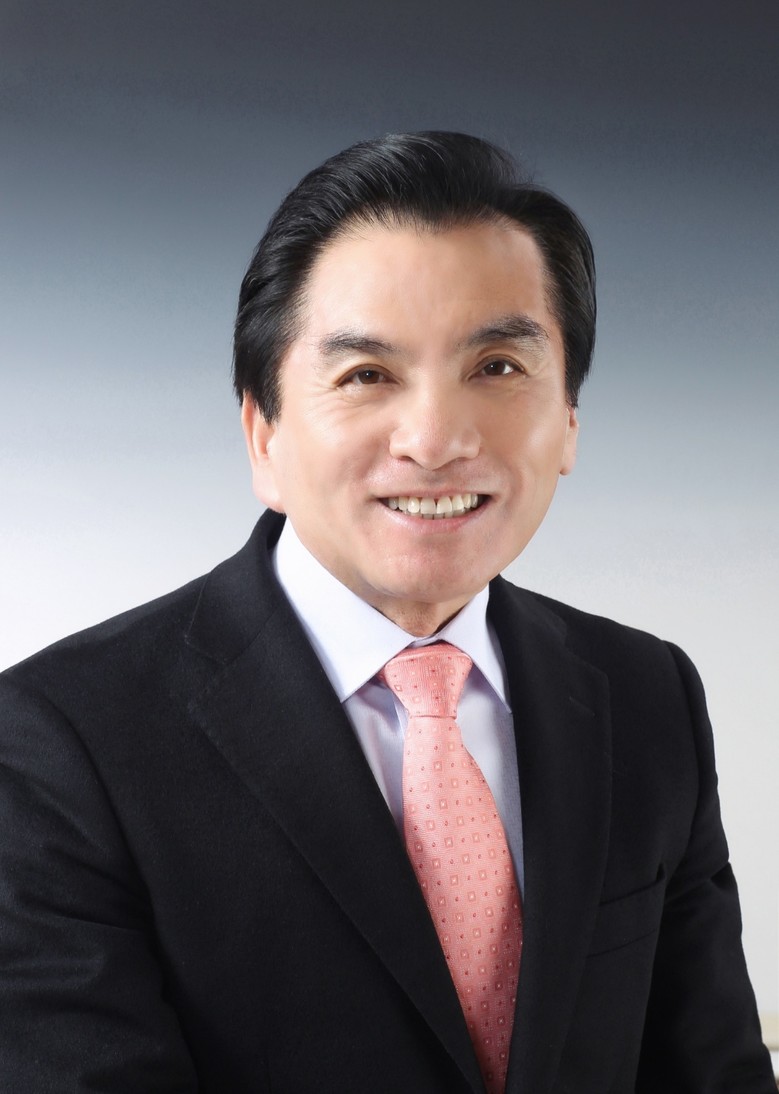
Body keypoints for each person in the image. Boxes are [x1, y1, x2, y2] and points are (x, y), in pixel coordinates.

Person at [0, 132, 774, 1094]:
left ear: (569, 421)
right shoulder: (60, 743)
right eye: (366, 374)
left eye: (497, 367)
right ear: (263, 433)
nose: (436, 439)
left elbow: (713, 1073)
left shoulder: (645, 693)